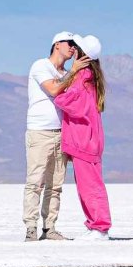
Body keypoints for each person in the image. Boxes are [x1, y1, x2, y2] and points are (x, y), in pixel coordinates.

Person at [24, 32, 91, 242]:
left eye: (75, 45)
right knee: (36, 181)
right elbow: (53, 89)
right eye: (69, 43)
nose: (72, 48)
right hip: (40, 131)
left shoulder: (67, 72)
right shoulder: (41, 66)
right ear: (56, 45)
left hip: (62, 132)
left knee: (56, 184)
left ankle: (49, 227)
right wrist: (73, 72)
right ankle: (31, 228)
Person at [51, 35, 111, 241]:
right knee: (89, 184)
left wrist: (64, 88)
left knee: (90, 185)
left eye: (76, 47)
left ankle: (100, 228)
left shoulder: (83, 76)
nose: (73, 49)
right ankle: (95, 225)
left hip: (84, 139)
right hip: (89, 138)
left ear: (81, 53)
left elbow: (68, 102)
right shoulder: (91, 76)